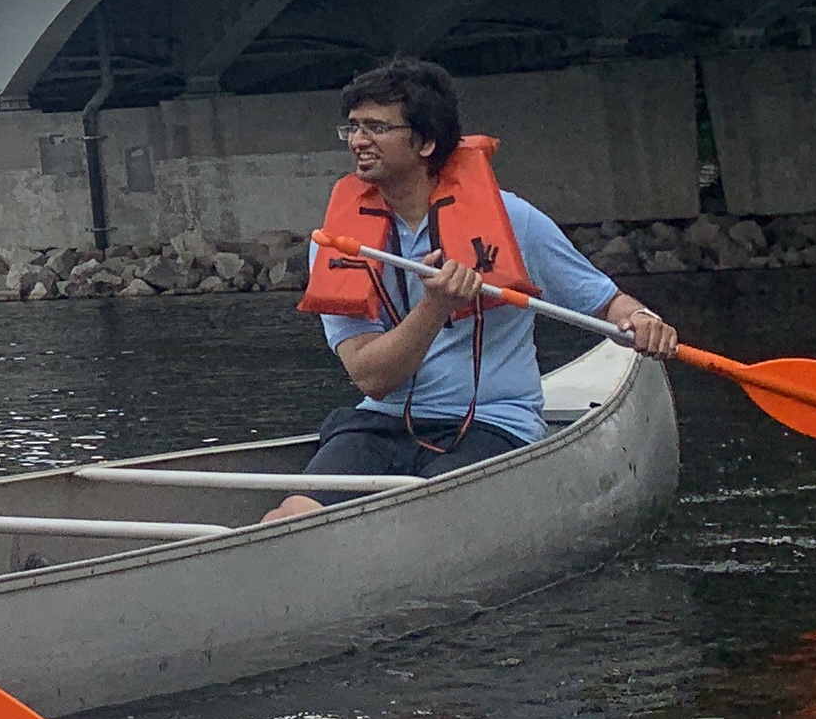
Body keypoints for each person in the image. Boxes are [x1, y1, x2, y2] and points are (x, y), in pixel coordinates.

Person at [263, 59, 680, 520]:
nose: (359, 141)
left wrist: (642, 320)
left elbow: (606, 302)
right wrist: (435, 306)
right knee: (291, 515)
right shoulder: (337, 244)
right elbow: (373, 379)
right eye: (354, 127)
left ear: (426, 143)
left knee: (421, 516)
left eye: (377, 127)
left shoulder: (512, 220)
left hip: (494, 425)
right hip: (381, 423)